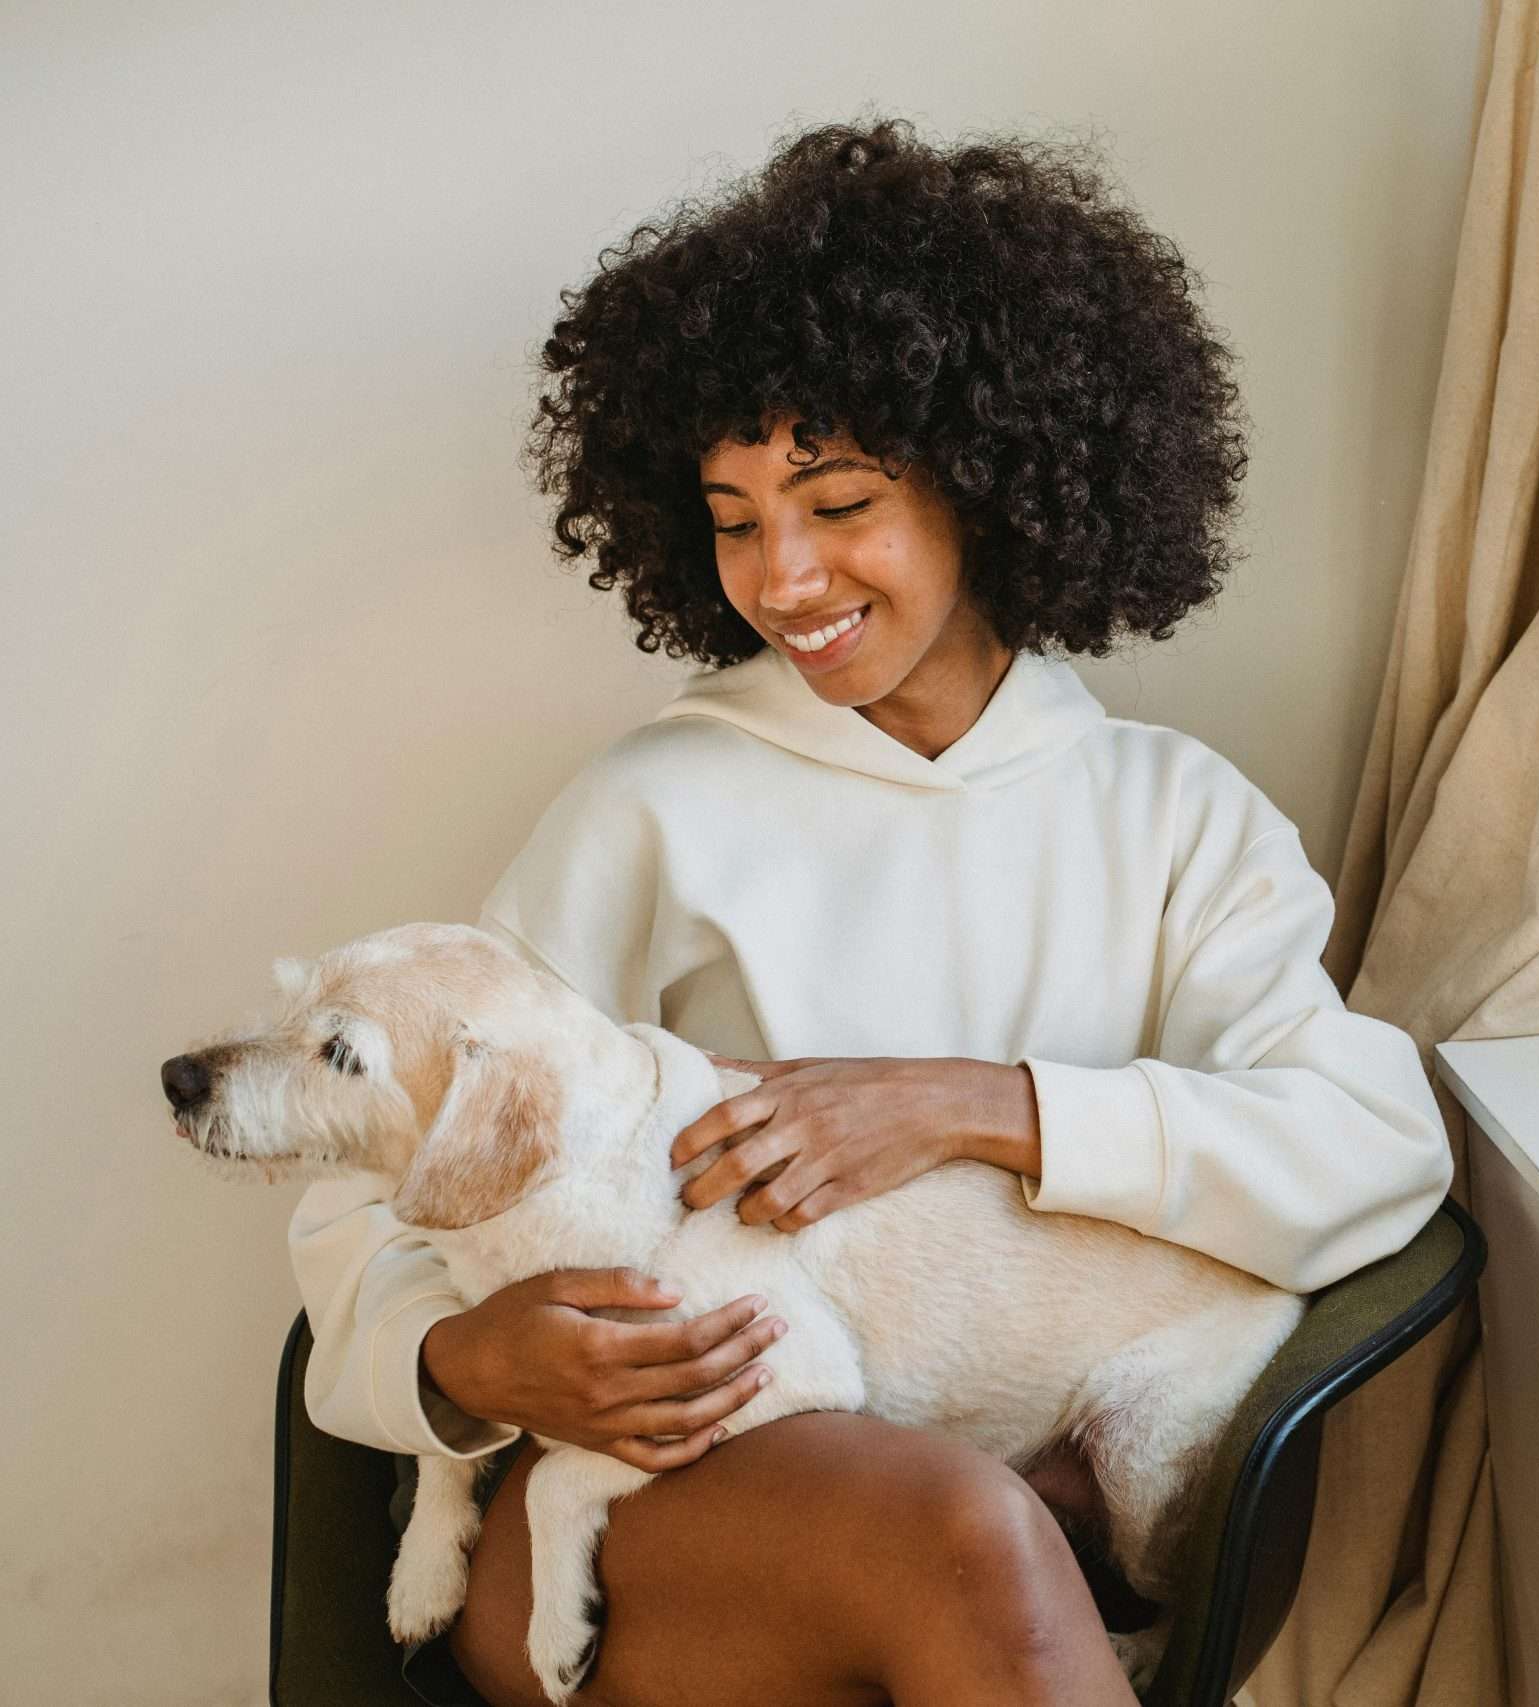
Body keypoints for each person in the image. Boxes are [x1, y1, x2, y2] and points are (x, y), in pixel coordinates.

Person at [287, 117, 1453, 1707]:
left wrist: (985, 1110)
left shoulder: (1176, 819)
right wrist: (460, 1363)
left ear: (991, 476)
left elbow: (1374, 1146)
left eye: (837, 502)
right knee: (966, 1535)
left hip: (1045, 1529)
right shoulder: (652, 811)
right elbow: (363, 1178)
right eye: (734, 516)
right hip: (651, 1530)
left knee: (982, 1537)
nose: (781, 578)